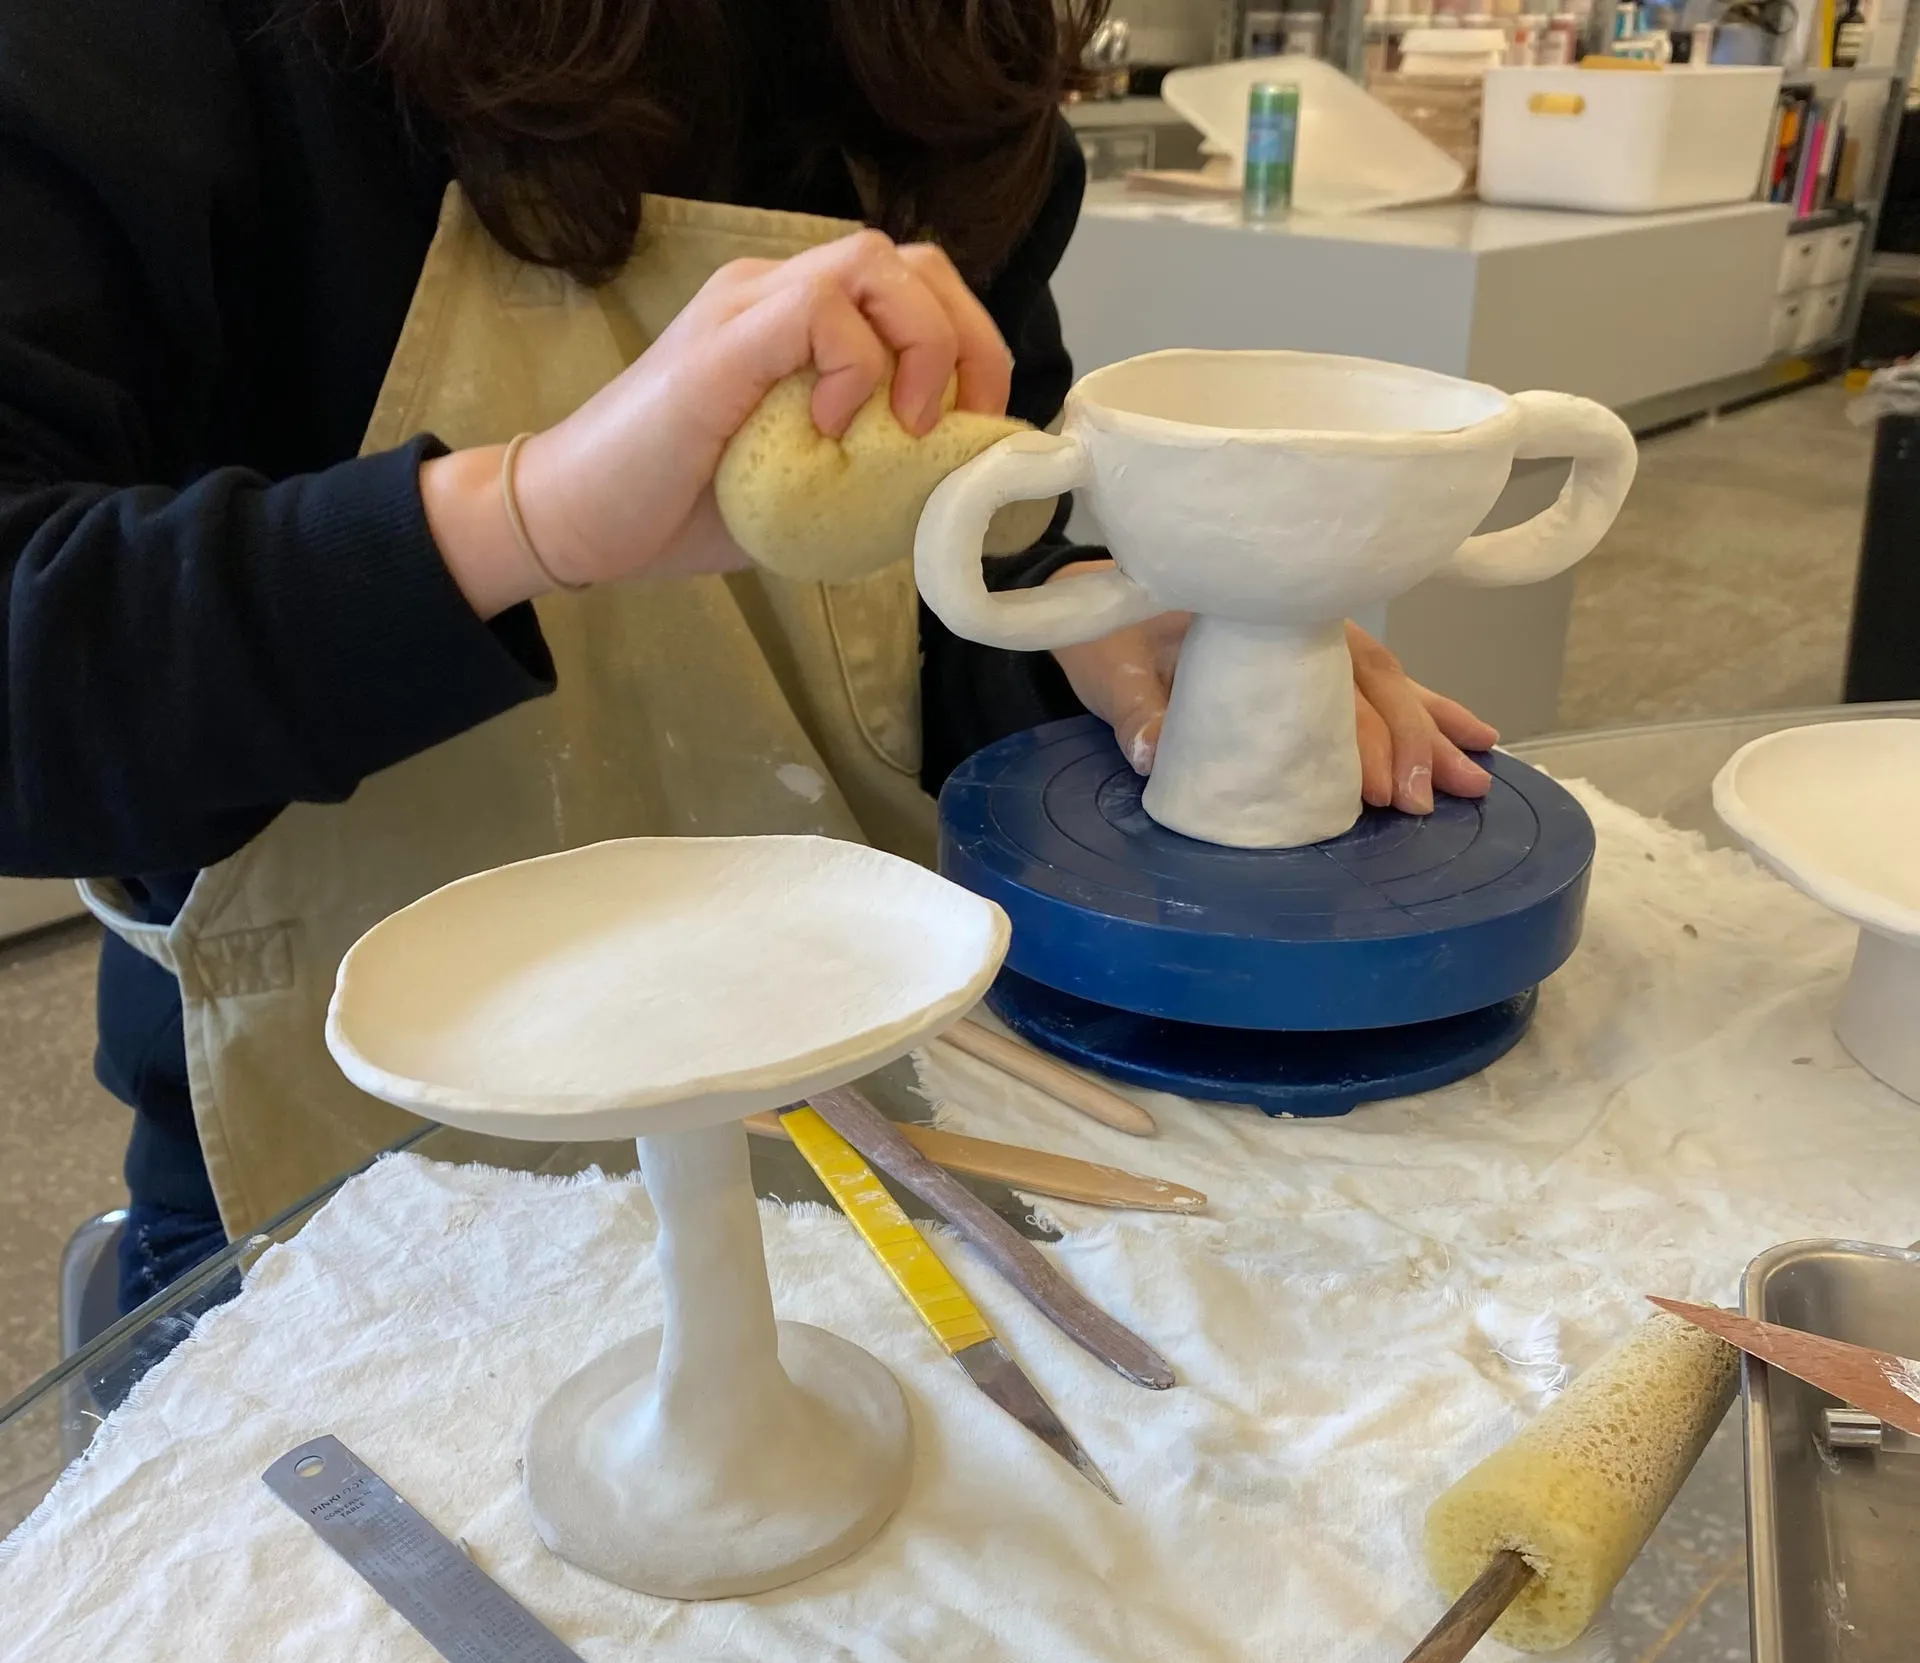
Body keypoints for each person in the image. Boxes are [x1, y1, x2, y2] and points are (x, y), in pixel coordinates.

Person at [0, 0, 1498, 1313]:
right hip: (357, 1186)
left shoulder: (941, 58)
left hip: (873, 1087)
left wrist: (1077, 619)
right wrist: (527, 515)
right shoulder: (177, 53)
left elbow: (932, 580)